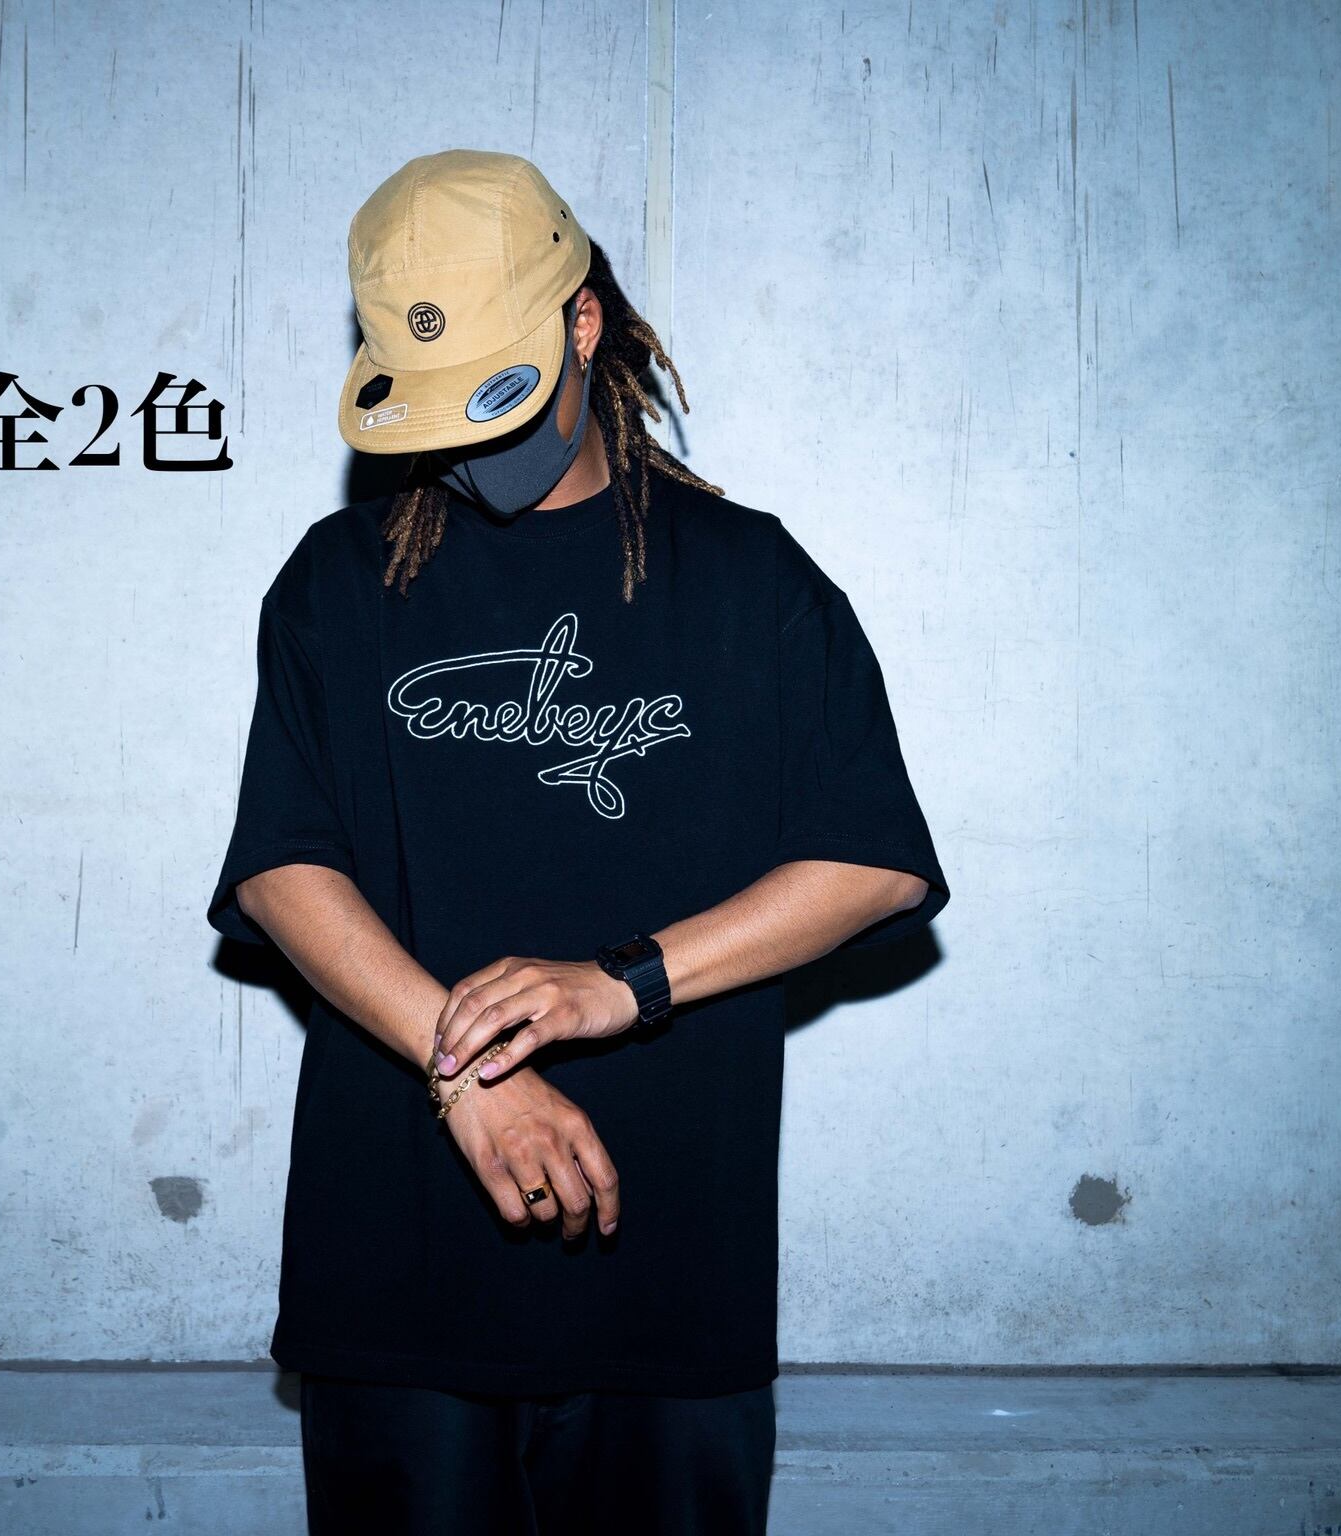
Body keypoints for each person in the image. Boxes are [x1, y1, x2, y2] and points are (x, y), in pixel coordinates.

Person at [205, 148, 951, 1535]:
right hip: (400, 1276)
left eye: (497, 389)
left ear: (583, 324)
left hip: (666, 1284)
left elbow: (875, 859)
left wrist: (620, 982)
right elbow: (282, 867)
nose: (471, 442)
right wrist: (467, 1070)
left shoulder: (751, 580)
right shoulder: (333, 583)